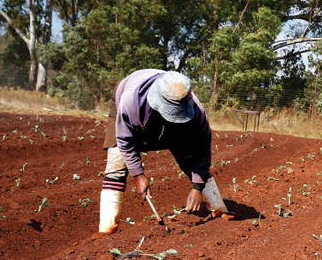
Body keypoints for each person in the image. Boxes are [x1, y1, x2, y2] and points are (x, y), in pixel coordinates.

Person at [99, 69, 231, 234]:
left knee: (189, 157)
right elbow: (125, 141)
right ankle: (107, 229)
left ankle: (219, 209)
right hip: (129, 99)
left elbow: (201, 151)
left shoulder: (196, 114)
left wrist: (197, 187)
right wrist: (138, 175)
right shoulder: (130, 103)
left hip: (174, 113)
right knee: (117, 161)